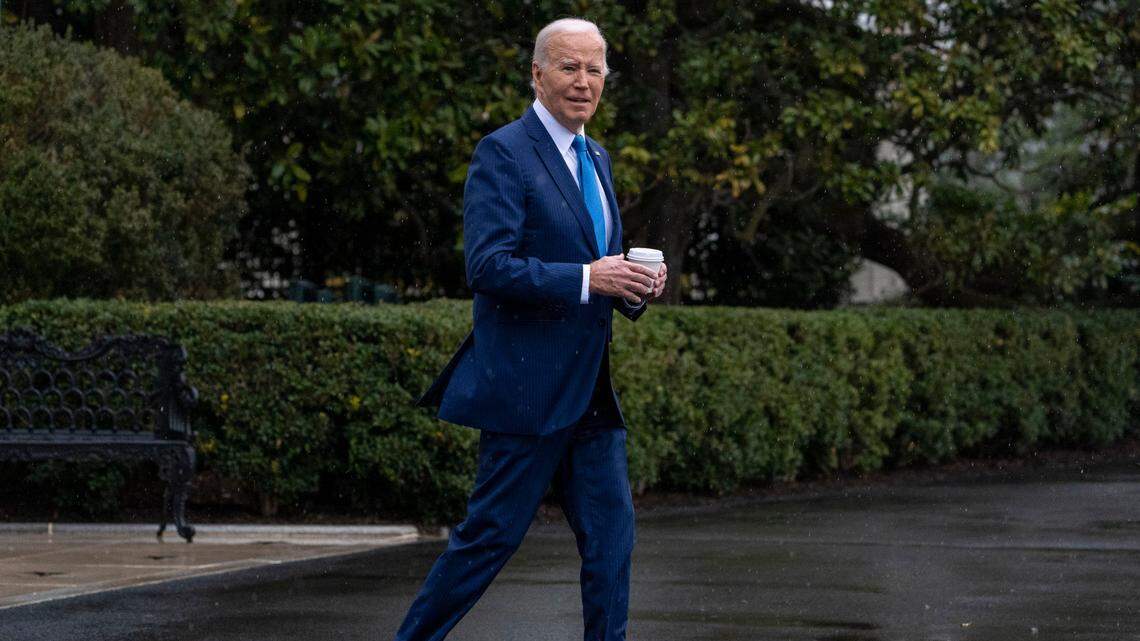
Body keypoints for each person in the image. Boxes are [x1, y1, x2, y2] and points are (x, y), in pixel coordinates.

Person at [398, 17, 667, 641]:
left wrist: (633, 283)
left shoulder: (596, 156)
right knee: (486, 542)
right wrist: (586, 279)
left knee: (611, 543)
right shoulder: (504, 151)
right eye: (569, 67)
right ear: (537, 74)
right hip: (527, 391)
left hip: (591, 396)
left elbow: (603, 259)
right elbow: (488, 266)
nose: (583, 81)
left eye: (594, 69)